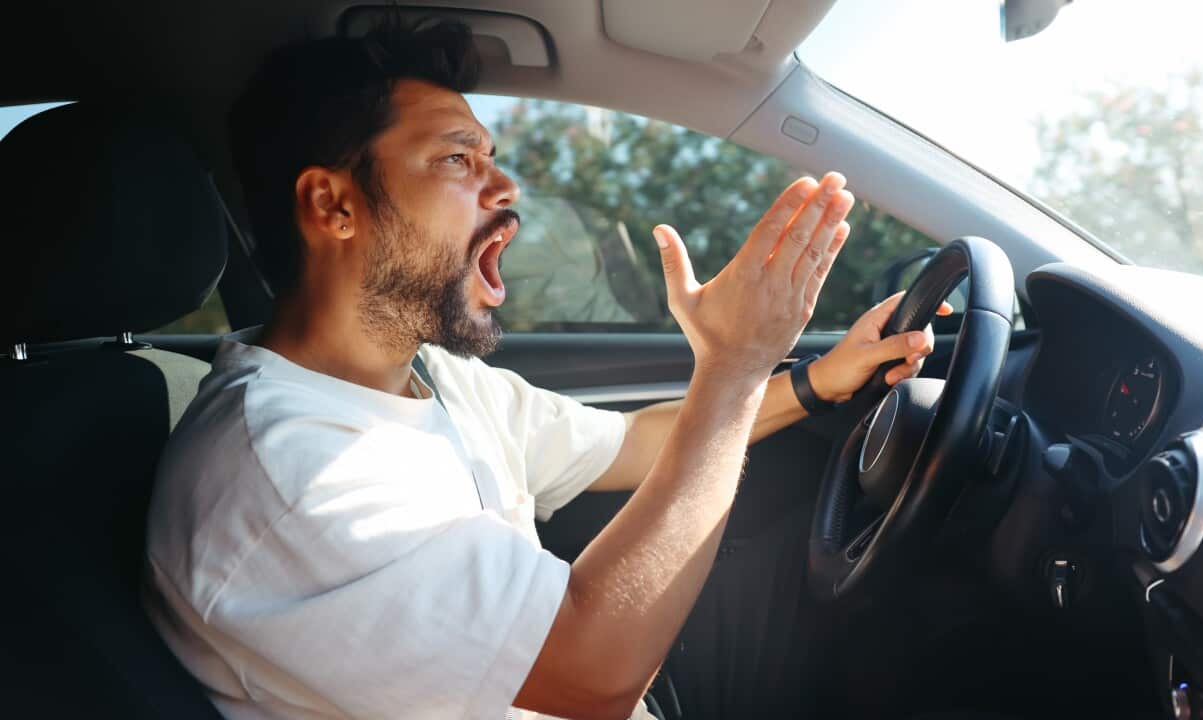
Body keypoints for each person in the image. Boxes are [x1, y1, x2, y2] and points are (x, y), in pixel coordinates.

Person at [143, 20, 945, 720]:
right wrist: (733, 368)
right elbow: (592, 675)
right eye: (459, 159)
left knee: (886, 609)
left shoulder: (428, 375)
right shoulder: (284, 473)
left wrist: (816, 381)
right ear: (333, 206)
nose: (506, 186)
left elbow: (630, 443)